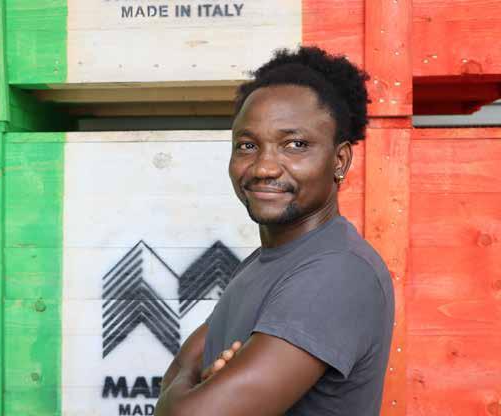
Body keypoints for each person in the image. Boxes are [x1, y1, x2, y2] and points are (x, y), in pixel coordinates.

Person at [154, 46, 395, 416]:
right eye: (248, 145)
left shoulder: (337, 272)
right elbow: (177, 373)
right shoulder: (264, 262)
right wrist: (193, 387)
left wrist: (194, 390)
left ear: (339, 160)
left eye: (295, 145)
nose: (264, 167)